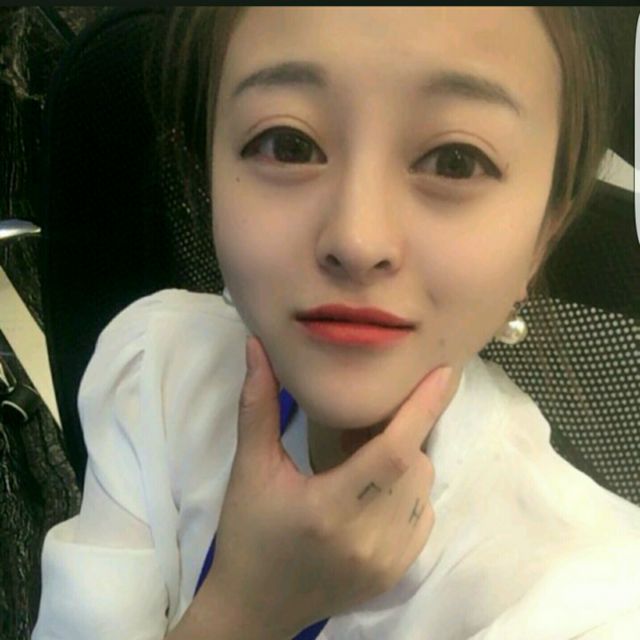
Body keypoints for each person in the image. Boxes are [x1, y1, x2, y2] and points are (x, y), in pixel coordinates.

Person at [33, 7, 640, 639]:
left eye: (455, 161)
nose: (357, 239)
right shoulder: (155, 374)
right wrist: (246, 609)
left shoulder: (595, 604)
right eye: (287, 145)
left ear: (542, 235)